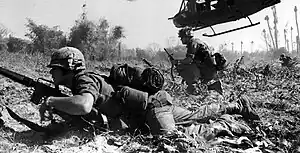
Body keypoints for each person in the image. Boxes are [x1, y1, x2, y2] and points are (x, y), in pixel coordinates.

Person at [39, 46, 259, 140]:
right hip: (154, 104)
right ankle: (236, 106)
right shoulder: (84, 80)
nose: (51, 72)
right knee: (195, 115)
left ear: (67, 67)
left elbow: (84, 105)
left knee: (176, 140)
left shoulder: (83, 79)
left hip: (152, 108)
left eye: (54, 68)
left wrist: (51, 100)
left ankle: (230, 125)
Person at [172, 27, 222, 95]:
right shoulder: (197, 41)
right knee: (200, 87)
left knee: (181, 67)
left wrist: (177, 62)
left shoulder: (192, 43)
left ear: (187, 36)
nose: (181, 39)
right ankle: (214, 86)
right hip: (210, 70)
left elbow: (189, 60)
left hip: (207, 70)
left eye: (182, 37)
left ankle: (192, 87)